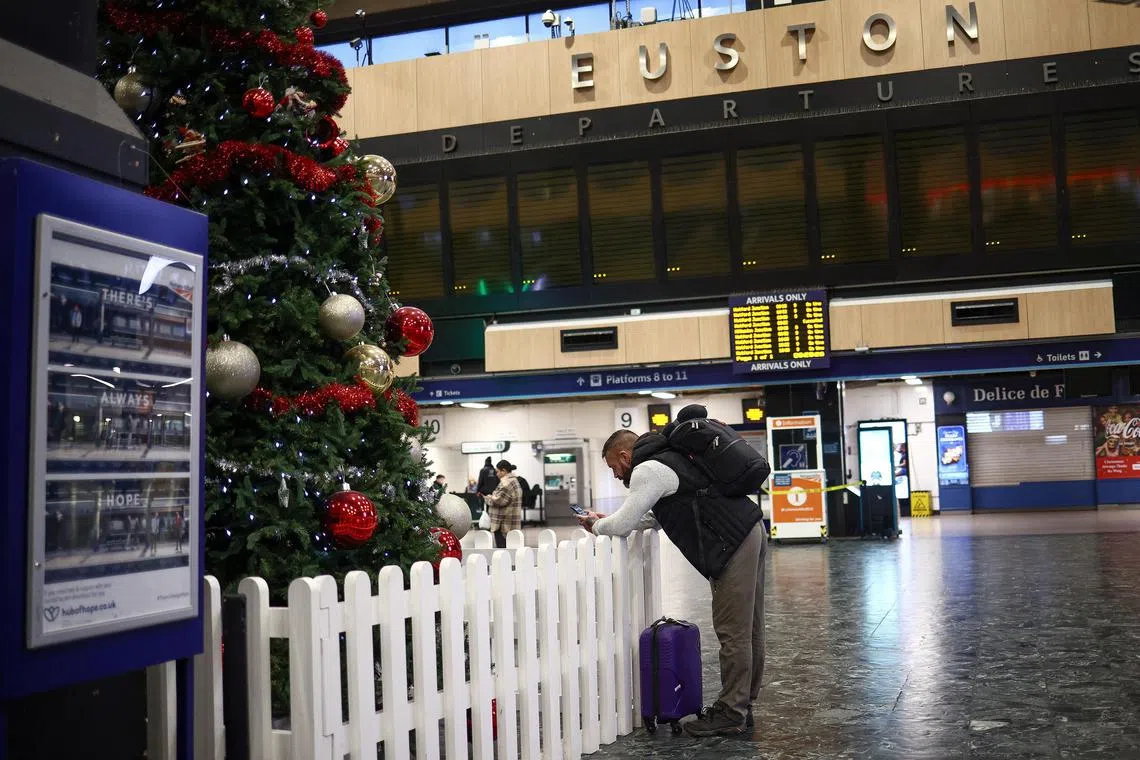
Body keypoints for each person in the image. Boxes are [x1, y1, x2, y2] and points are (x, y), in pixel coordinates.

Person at [579, 414, 767, 737]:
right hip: (749, 530)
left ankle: (731, 712)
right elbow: (654, 517)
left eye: (614, 467)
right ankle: (742, 704)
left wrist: (596, 526)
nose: (615, 474)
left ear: (625, 456)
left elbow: (624, 524)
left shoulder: (647, 469)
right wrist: (607, 518)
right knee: (749, 628)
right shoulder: (668, 459)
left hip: (730, 542)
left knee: (733, 632)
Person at [483, 459, 522, 548]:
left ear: (503, 471)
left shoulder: (506, 483)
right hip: (511, 520)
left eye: (497, 472)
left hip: (503, 523)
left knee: (503, 550)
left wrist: (488, 498)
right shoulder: (514, 481)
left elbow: (499, 500)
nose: (496, 474)